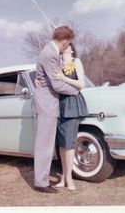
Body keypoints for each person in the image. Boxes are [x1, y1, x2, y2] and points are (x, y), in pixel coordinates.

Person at [33, 26, 79, 194]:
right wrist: (77, 90)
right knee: (44, 145)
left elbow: (42, 76)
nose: (67, 47)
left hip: (49, 102)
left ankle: (42, 179)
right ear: (64, 40)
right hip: (47, 104)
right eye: (68, 43)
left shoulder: (49, 52)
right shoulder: (50, 54)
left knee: (46, 144)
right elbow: (57, 84)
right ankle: (41, 182)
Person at [52, 43, 88, 191]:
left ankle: (69, 178)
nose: (64, 46)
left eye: (68, 44)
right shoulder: (57, 63)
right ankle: (63, 176)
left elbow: (81, 84)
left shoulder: (76, 62)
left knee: (69, 143)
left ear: (72, 49)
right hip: (59, 105)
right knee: (61, 143)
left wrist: (63, 77)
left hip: (72, 104)